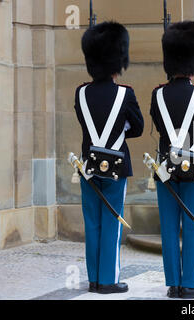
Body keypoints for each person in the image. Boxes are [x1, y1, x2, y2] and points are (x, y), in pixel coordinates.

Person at [149, 21, 194, 299]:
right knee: (192, 225)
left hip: (165, 168)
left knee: (168, 227)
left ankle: (173, 284)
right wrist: (193, 138)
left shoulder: (158, 94)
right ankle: (191, 284)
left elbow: (158, 125)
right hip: (193, 169)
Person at [74, 21, 144, 294]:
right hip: (116, 164)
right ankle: (108, 280)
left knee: (92, 222)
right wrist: (120, 127)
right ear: (118, 60)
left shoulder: (80, 92)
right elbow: (136, 128)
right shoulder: (125, 94)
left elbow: (83, 121)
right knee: (112, 221)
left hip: (88, 165)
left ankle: (93, 279)